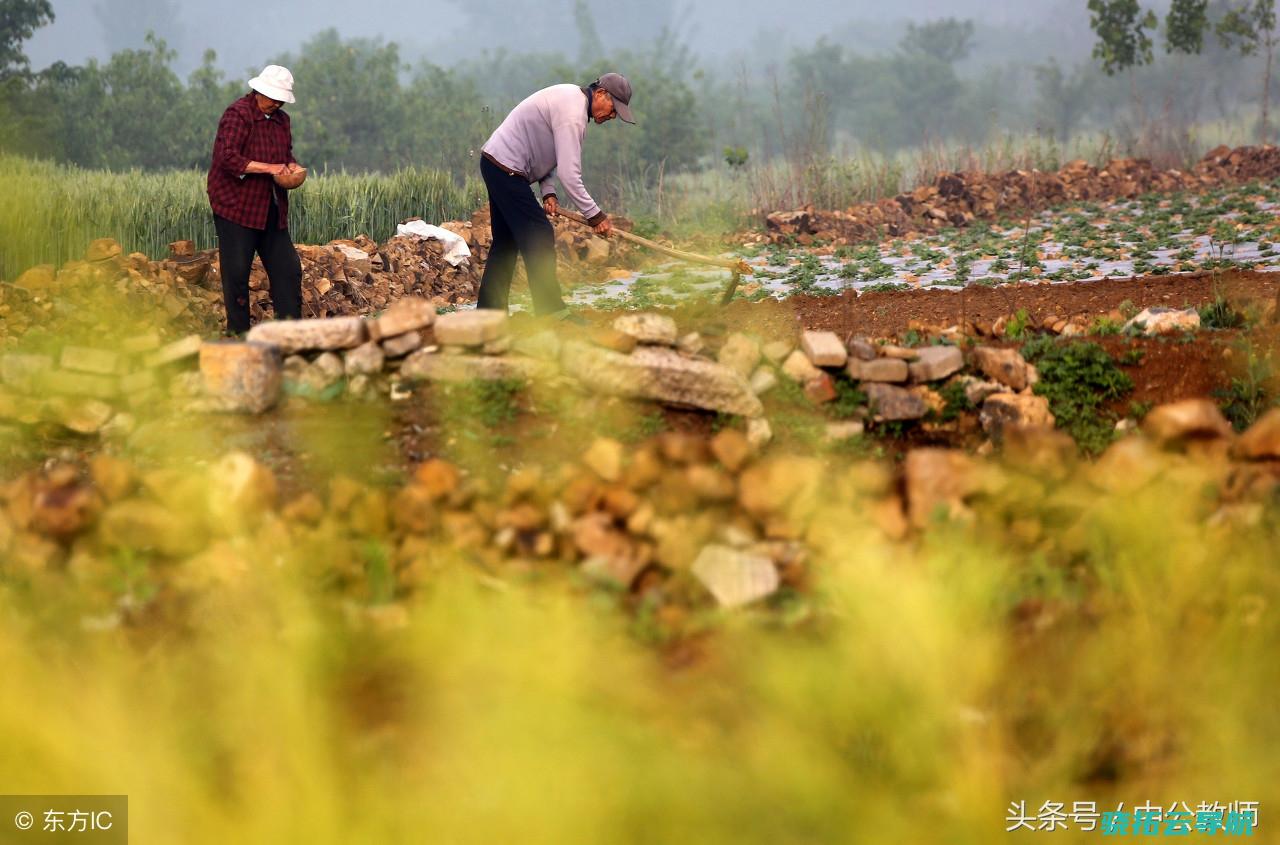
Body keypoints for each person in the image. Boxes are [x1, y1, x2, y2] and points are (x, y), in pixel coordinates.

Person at [476, 72, 634, 319]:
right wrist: (596, 216)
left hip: (497, 164)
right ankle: (550, 311)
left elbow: (545, 152)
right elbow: (570, 176)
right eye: (614, 108)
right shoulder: (573, 115)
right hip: (506, 169)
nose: (613, 116)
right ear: (601, 94)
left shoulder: (572, 103)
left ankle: (488, 314)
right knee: (539, 233)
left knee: (506, 244)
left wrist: (548, 192)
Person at [207, 64, 308, 336]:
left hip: (271, 207)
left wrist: (290, 168)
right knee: (237, 273)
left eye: (280, 99)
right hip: (236, 207)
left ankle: (290, 335)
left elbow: (285, 155)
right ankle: (239, 335)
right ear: (259, 91)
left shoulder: (281, 121)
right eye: (272, 97)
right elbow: (227, 158)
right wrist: (269, 168)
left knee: (288, 270)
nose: (275, 103)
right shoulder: (238, 115)